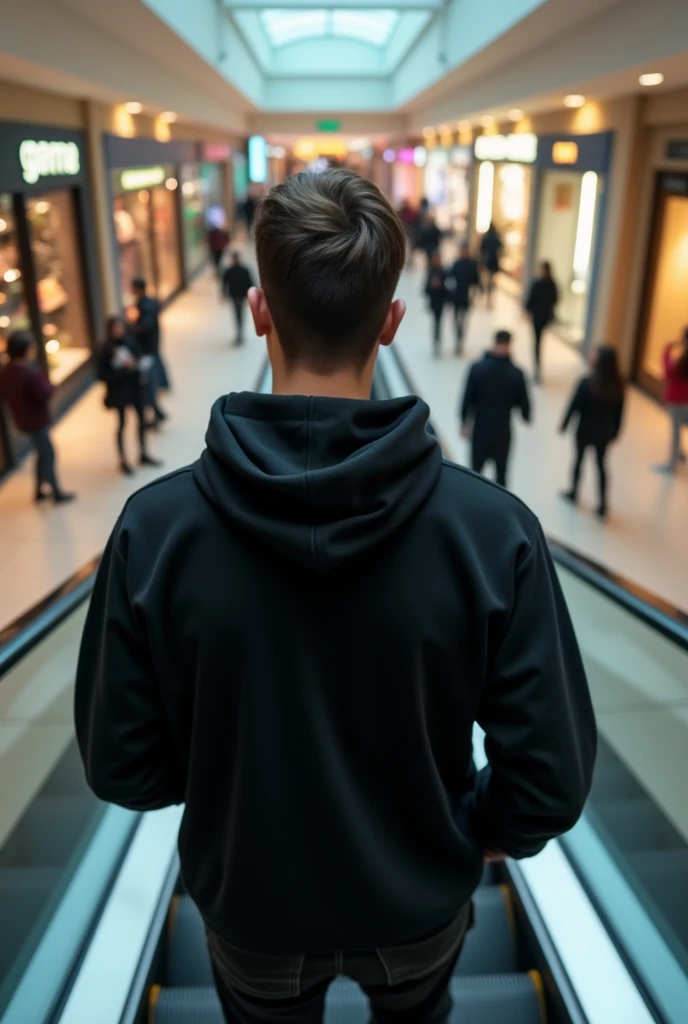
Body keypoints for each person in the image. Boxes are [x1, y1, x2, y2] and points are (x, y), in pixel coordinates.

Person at [75, 169, 595, 1024]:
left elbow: (122, 765)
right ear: (391, 322)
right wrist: (473, 828)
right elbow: (548, 781)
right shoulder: (493, 533)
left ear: (258, 311)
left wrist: (226, 779)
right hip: (421, 904)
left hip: (253, 912)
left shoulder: (154, 533)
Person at [0, 330, 74, 504]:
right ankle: (55, 492)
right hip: (35, 420)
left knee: (42, 453)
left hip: (22, 419)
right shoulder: (28, 373)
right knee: (48, 454)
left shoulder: (7, 371)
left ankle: (39, 490)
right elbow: (44, 393)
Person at [560, 345, 625, 520]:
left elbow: (574, 405)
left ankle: (574, 493)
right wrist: (616, 432)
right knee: (601, 466)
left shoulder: (587, 382)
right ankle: (603, 504)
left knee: (578, 461)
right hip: (603, 433)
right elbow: (619, 413)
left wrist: (564, 423)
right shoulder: (618, 386)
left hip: (584, 430)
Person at [460, 329, 531, 488]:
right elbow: (524, 405)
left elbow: (467, 398)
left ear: (494, 342)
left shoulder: (477, 368)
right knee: (501, 475)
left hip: (480, 430)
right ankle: (500, 510)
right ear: (509, 345)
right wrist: (526, 415)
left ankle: (473, 506)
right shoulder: (516, 373)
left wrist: (464, 421)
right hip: (502, 433)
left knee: (475, 473)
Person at [97, 316, 162, 476]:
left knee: (141, 420)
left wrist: (136, 365)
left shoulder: (130, 341)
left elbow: (139, 358)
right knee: (122, 424)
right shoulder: (105, 349)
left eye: (120, 327)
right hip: (119, 392)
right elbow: (102, 375)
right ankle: (123, 459)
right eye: (115, 328)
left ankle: (143, 453)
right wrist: (124, 370)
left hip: (136, 388)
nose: (118, 331)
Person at [128, 277, 169, 426]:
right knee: (148, 382)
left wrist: (131, 327)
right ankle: (156, 412)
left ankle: (156, 412)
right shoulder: (147, 304)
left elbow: (145, 326)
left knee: (147, 383)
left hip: (146, 350)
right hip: (149, 348)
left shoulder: (146, 306)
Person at [655, 327, 688, 474]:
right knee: (679, 428)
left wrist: (667, 351)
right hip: (684, 400)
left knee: (675, 431)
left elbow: (669, 372)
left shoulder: (684, 360)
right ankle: (679, 454)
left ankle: (671, 465)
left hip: (676, 400)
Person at [525, 261, 559, 384]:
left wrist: (528, 311)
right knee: (539, 340)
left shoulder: (538, 283)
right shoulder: (551, 284)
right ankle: (537, 368)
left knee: (537, 341)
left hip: (539, 317)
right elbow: (556, 299)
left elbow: (530, 299)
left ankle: (537, 368)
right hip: (545, 317)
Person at [449, 243, 480, 354]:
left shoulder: (472, 264)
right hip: (456, 296)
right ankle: (458, 339)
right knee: (456, 320)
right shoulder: (456, 264)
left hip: (466, 297)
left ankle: (460, 341)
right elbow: (449, 279)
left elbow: (476, 282)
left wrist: (474, 296)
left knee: (464, 320)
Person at [222, 252, 254, 346]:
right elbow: (224, 284)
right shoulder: (235, 270)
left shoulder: (240, 270)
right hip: (236, 295)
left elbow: (250, 283)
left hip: (240, 295)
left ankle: (239, 333)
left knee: (238, 313)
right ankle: (239, 333)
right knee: (238, 313)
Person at [424, 251, 448, 356]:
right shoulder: (431, 271)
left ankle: (437, 341)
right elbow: (426, 287)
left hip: (441, 300)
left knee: (438, 322)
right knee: (436, 322)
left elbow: (448, 285)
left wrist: (441, 285)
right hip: (434, 300)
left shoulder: (443, 271)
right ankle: (435, 341)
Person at [479, 223, 502, 307]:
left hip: (488, 262)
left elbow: (482, 251)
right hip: (493, 262)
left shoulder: (487, 238)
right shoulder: (496, 238)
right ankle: (488, 299)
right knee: (490, 281)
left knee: (487, 280)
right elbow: (500, 250)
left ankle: (487, 298)